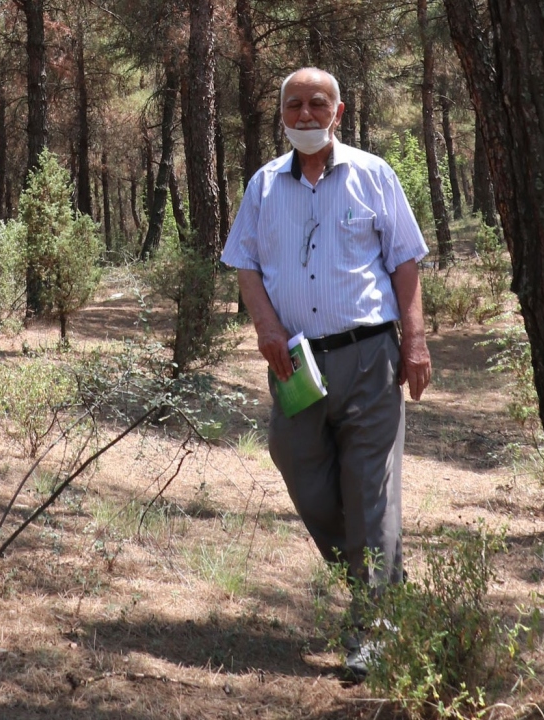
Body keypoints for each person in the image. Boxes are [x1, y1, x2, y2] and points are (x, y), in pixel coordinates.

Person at [220, 67, 431, 678]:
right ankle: (385, 580)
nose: (306, 114)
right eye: (294, 105)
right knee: (297, 465)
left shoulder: (374, 175)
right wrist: (264, 328)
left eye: (318, 104)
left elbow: (406, 261)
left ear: (339, 112)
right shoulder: (262, 186)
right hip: (295, 363)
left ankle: (376, 626)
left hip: (369, 355)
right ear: (280, 115)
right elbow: (246, 265)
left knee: (370, 489)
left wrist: (414, 342)